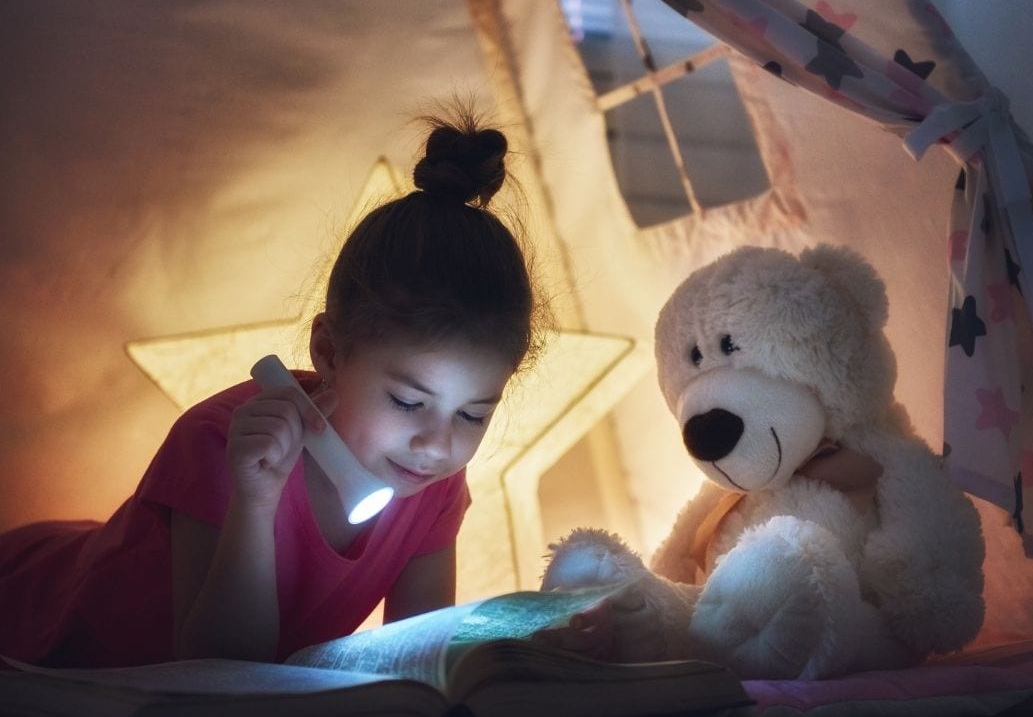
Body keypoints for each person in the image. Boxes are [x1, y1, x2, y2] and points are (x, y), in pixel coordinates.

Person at [0, 113, 613, 667]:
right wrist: (256, 501)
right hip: (35, 615)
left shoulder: (434, 485)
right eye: (407, 401)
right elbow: (218, 669)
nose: (436, 443)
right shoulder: (223, 443)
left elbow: (417, 660)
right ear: (328, 352)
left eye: (474, 415)